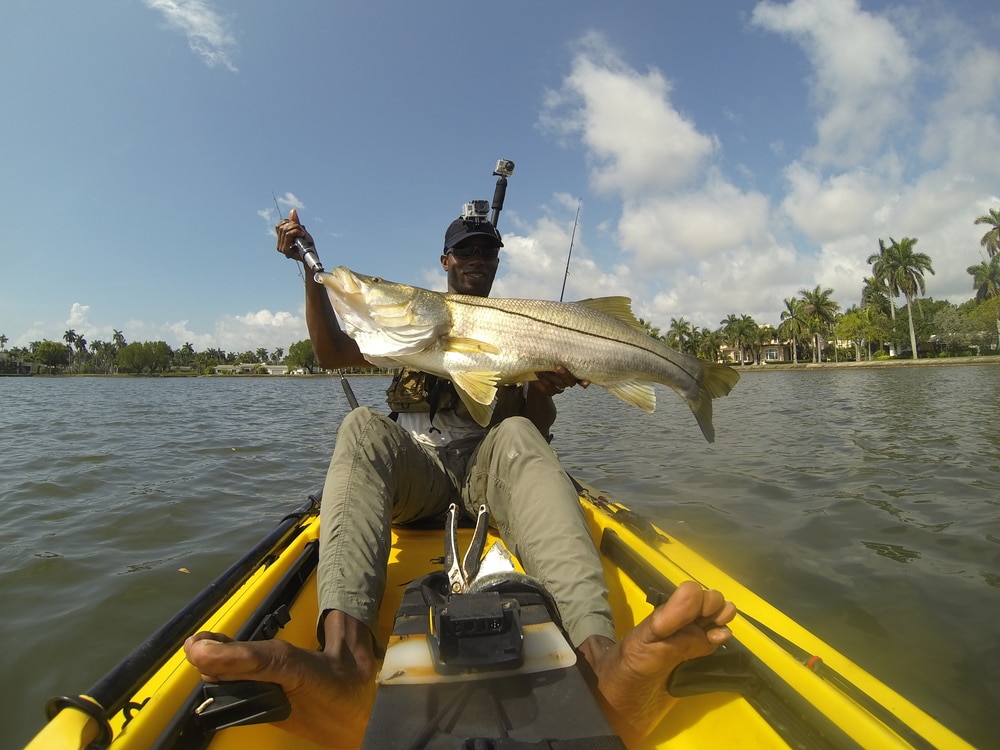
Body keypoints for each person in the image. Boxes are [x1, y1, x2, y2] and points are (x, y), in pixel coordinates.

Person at [185, 207, 736, 747]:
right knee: (360, 425)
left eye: (488, 251)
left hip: (487, 477)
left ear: (496, 263)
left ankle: (599, 658)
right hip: (418, 474)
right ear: (445, 260)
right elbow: (330, 352)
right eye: (467, 250)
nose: (478, 258)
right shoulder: (402, 331)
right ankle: (345, 657)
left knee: (519, 433)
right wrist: (311, 270)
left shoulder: (517, 327)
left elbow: (533, 430)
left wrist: (544, 389)